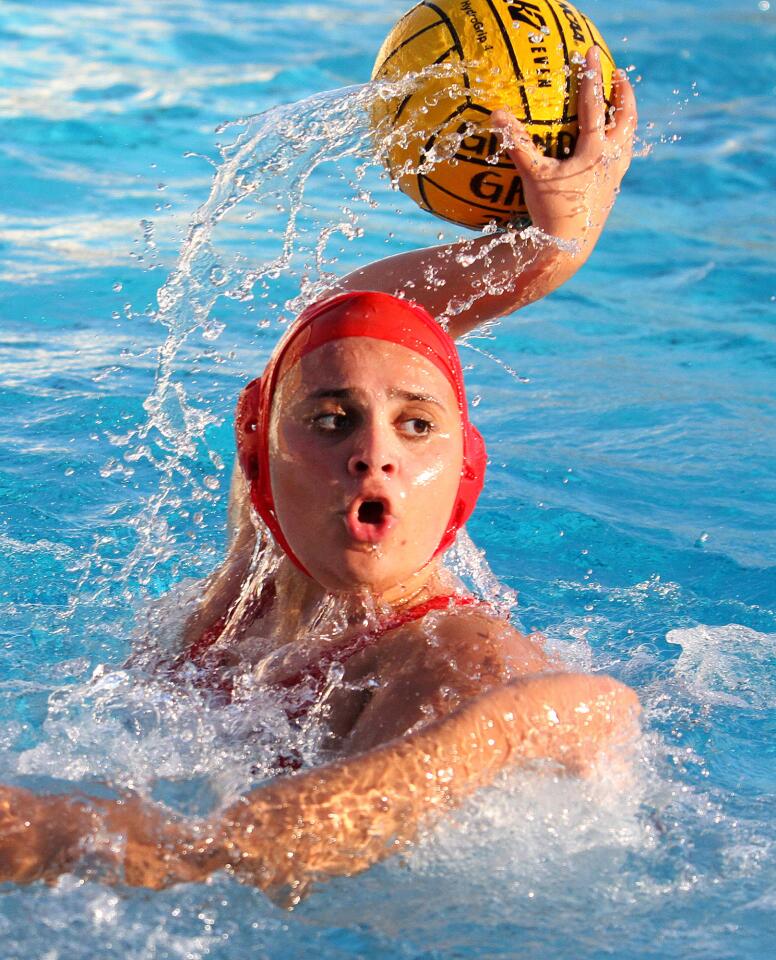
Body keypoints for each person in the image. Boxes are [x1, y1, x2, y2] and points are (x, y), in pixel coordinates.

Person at [0, 49, 639, 903]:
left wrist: (65, 833)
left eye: (418, 426)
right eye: (330, 419)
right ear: (259, 452)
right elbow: (337, 322)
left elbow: (242, 853)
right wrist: (545, 252)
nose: (373, 454)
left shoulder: (461, 666)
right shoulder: (258, 568)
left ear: (465, 477)